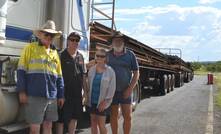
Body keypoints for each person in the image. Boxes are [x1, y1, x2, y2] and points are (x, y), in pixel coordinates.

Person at [16, 20, 64, 134]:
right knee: (34, 129)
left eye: (51, 35)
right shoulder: (30, 48)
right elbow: (21, 71)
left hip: (52, 96)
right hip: (35, 95)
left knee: (48, 126)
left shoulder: (54, 52)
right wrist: (21, 91)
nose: (49, 37)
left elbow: (59, 76)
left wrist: (61, 95)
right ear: (40, 34)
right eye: (46, 34)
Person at [107, 32, 140, 134]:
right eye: (115, 40)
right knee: (114, 116)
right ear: (112, 42)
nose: (117, 42)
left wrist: (130, 89)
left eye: (120, 40)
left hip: (125, 90)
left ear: (124, 42)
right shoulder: (107, 55)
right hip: (112, 91)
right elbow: (99, 66)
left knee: (128, 117)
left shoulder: (130, 55)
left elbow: (136, 72)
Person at [56, 32, 87, 134]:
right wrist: (58, 94)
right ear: (68, 41)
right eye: (72, 40)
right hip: (64, 94)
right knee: (60, 120)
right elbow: (56, 76)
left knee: (74, 118)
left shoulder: (80, 57)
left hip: (77, 95)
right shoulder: (61, 55)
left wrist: (85, 93)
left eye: (77, 40)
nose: (75, 42)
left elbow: (83, 76)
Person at [87, 48, 116, 134]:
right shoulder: (91, 69)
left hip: (102, 102)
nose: (99, 58)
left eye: (102, 56)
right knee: (93, 123)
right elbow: (88, 85)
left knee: (101, 124)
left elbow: (112, 88)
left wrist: (105, 102)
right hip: (92, 101)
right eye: (97, 56)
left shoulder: (110, 71)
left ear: (105, 58)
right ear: (95, 57)